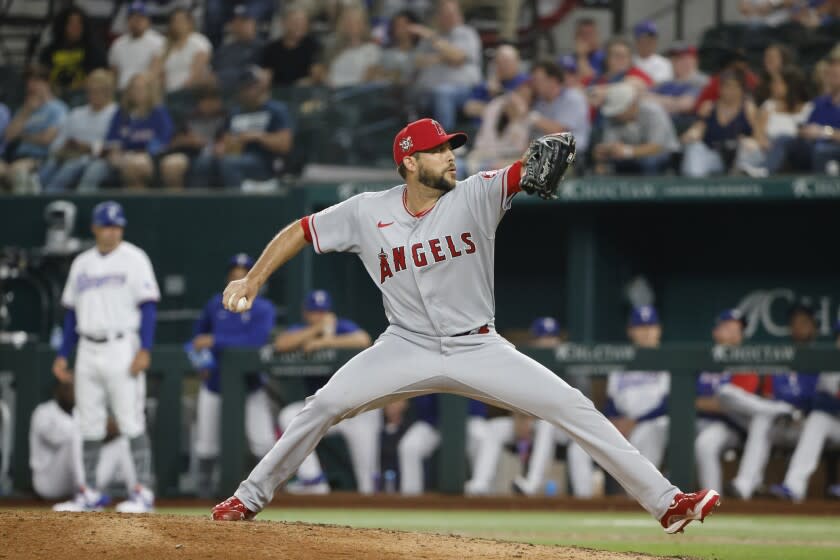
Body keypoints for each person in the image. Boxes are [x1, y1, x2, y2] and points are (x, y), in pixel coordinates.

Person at [211, 117, 720, 534]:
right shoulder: (368, 211)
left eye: (451, 148)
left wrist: (533, 162)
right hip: (404, 345)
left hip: (478, 347)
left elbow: (519, 174)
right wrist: (254, 279)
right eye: (437, 150)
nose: (450, 156)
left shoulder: (475, 194)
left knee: (572, 405)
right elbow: (302, 230)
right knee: (321, 405)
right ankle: (246, 499)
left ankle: (668, 503)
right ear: (409, 161)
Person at [52, 201, 160, 513]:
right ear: (95, 228)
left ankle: (142, 491)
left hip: (121, 345)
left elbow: (148, 307)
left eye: (117, 226)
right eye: (107, 226)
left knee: (130, 419)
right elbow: (71, 313)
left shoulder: (134, 258)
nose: (113, 231)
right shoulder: (82, 263)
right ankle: (89, 492)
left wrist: (145, 349)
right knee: (88, 423)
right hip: (87, 347)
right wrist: (63, 354)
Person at [466, 317, 594, 497]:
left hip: (562, 428)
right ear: (534, 341)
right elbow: (512, 394)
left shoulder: (569, 366)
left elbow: (578, 406)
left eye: (552, 338)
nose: (547, 342)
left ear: (559, 340)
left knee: (547, 425)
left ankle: (532, 485)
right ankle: (481, 484)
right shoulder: (525, 363)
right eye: (542, 338)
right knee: (493, 429)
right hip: (529, 421)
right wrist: (518, 417)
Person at [189, 253, 276, 498]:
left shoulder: (262, 308)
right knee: (206, 446)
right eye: (234, 272)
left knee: (263, 442)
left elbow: (255, 341)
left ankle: (272, 491)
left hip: (251, 384)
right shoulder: (215, 304)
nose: (239, 275)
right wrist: (201, 359)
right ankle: (203, 496)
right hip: (215, 383)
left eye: (245, 272)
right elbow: (196, 339)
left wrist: (216, 341)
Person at [275, 290, 374, 494]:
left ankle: (370, 494)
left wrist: (326, 341)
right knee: (288, 415)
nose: (318, 316)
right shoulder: (302, 330)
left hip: (352, 410)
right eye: (314, 312)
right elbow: (280, 344)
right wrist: (315, 331)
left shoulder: (342, 327)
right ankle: (313, 480)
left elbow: (364, 339)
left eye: (322, 312)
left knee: (367, 469)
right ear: (306, 313)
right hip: (320, 409)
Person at [727, 301, 820, 500]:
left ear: (814, 327)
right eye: (795, 322)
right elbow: (769, 394)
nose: (799, 327)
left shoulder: (822, 358)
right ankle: (745, 485)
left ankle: (794, 488)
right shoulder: (780, 358)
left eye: (804, 322)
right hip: (781, 421)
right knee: (762, 418)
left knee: (817, 421)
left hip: (807, 424)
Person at [770, 320, 840, 502]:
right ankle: (794, 487)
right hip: (835, 423)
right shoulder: (831, 367)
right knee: (818, 419)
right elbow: (819, 400)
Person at [192, 66, 293, 188]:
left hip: (264, 161)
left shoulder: (276, 110)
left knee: (228, 164)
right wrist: (221, 147)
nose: (247, 91)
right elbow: (225, 139)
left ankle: (236, 205)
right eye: (244, 88)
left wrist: (258, 137)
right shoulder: (235, 113)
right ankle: (201, 205)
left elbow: (285, 145)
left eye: (251, 87)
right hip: (235, 155)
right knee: (202, 163)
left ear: (260, 87)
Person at [30, 382, 133, 502]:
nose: (71, 392)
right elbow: (56, 439)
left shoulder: (81, 413)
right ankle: (84, 490)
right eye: (67, 388)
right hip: (49, 482)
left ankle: (138, 493)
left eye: (74, 387)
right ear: (57, 392)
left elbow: (112, 428)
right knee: (74, 436)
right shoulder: (43, 412)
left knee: (121, 443)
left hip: (80, 477)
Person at [694, 309, 760, 493]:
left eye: (738, 330)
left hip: (729, 426)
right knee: (662, 429)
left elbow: (732, 405)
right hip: (696, 421)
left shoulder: (745, 363)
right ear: (716, 332)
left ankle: (713, 502)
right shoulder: (703, 359)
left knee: (704, 445)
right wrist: (700, 403)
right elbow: (680, 396)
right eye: (728, 328)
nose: (733, 334)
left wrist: (697, 402)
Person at [605, 306, 670, 471]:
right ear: (630, 331)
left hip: (655, 421)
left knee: (646, 433)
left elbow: (667, 404)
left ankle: (644, 495)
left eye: (650, 327)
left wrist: (635, 422)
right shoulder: (622, 361)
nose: (646, 332)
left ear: (659, 330)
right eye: (640, 327)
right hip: (623, 422)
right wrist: (616, 421)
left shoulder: (667, 358)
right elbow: (611, 401)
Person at [38, 69, 118, 193]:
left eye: (98, 91)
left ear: (108, 92)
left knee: (79, 168)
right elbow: (57, 144)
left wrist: (88, 147)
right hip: (71, 156)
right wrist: (64, 148)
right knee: (50, 165)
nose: (93, 95)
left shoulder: (117, 114)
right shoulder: (76, 113)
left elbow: (115, 145)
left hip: (101, 160)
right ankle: (36, 197)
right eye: (90, 91)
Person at [411, 0, 483, 131]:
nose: (449, 17)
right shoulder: (431, 36)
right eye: (445, 14)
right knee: (405, 92)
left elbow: (458, 57)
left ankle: (446, 142)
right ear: (438, 16)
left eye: (452, 14)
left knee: (442, 93)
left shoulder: (466, 33)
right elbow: (417, 61)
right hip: (425, 91)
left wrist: (434, 40)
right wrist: (443, 56)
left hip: (462, 90)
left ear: (458, 15)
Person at [94, 71, 174, 189]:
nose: (137, 92)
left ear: (150, 90)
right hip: (125, 156)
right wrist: (115, 154)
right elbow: (112, 141)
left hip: (153, 156)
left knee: (137, 165)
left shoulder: (159, 113)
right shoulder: (121, 114)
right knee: (100, 167)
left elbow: (164, 139)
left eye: (141, 88)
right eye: (134, 88)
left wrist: (145, 154)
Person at [734, 65, 812, 177]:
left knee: (783, 139)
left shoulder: (808, 108)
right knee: (747, 144)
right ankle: (741, 179)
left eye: (777, 83)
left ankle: (764, 170)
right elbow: (757, 134)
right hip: (768, 150)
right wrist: (764, 143)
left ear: (790, 85)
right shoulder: (768, 106)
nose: (772, 86)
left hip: (796, 155)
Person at [0, 66, 68, 193]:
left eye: (36, 82)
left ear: (46, 83)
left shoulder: (58, 108)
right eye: (29, 83)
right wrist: (26, 112)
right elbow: (9, 136)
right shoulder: (25, 109)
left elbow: (47, 139)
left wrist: (23, 135)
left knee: (18, 172)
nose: (32, 87)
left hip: (42, 158)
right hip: (16, 157)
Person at [680, 69, 756, 177]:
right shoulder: (709, 107)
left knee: (748, 148)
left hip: (740, 157)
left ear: (742, 89)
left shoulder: (748, 108)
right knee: (695, 148)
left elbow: (758, 137)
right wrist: (691, 135)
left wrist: (750, 141)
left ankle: (741, 184)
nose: (731, 91)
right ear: (720, 88)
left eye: (735, 87)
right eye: (727, 87)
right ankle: (694, 190)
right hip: (714, 156)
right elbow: (697, 130)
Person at [593, 83, 678, 175]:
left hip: (665, 155)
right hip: (630, 157)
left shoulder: (653, 112)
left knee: (649, 161)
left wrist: (626, 151)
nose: (616, 115)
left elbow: (657, 147)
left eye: (619, 110)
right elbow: (611, 144)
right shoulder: (612, 118)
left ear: (631, 105)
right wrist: (605, 151)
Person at [159, 87, 227, 189]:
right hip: (191, 154)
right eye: (205, 101)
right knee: (173, 165)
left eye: (212, 101)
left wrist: (218, 146)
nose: (208, 105)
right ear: (199, 103)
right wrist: (189, 141)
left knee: (205, 163)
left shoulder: (225, 118)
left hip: (215, 155)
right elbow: (173, 142)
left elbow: (227, 140)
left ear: (219, 102)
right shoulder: (190, 118)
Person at [38, 5, 107, 95]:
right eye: (71, 23)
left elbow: (100, 78)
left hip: (84, 96)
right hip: (54, 94)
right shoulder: (50, 50)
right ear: (63, 26)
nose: (76, 27)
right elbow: (43, 75)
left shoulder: (94, 50)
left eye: (79, 24)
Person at [528, 60, 591, 153]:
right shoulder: (539, 103)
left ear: (553, 80)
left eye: (538, 80)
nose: (534, 84)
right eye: (533, 80)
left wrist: (530, 116)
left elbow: (558, 132)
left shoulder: (573, 98)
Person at [462, 44, 530, 122]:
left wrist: (498, 93)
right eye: (499, 62)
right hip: (479, 129)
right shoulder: (487, 83)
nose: (503, 66)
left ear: (517, 62)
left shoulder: (525, 82)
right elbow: (468, 108)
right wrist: (494, 111)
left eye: (507, 62)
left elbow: (515, 111)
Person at [260, 6, 324, 87]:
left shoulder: (313, 45)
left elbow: (318, 74)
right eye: (295, 22)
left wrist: (310, 80)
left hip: (304, 92)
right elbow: (266, 74)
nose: (299, 25)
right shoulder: (272, 48)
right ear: (283, 23)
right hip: (278, 91)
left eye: (303, 22)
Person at [648, 43, 708, 128]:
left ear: (695, 60)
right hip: (661, 125)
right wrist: (672, 103)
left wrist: (656, 100)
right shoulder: (667, 83)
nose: (678, 63)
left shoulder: (701, 81)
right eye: (675, 59)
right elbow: (641, 98)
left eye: (684, 59)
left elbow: (685, 105)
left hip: (686, 128)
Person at [107, 2, 165, 91]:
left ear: (147, 21)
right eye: (132, 18)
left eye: (140, 18)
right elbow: (114, 74)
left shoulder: (158, 41)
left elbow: (155, 72)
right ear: (127, 21)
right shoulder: (118, 44)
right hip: (121, 91)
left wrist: (137, 86)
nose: (136, 21)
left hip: (146, 90)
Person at [209, 4, 265, 94]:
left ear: (254, 23)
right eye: (236, 22)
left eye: (244, 21)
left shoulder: (262, 47)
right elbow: (212, 71)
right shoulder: (224, 49)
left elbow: (254, 73)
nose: (240, 26)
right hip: (219, 95)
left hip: (245, 94)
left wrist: (221, 78)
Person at [323, 5, 382, 88]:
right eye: (348, 22)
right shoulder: (334, 49)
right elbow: (326, 77)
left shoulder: (372, 49)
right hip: (332, 94)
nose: (351, 26)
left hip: (356, 96)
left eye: (356, 22)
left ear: (363, 25)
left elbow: (367, 79)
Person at [156, 8, 212, 93]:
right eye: (174, 21)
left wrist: (181, 91)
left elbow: (197, 74)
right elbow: (160, 72)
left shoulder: (199, 42)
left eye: (180, 21)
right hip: (167, 92)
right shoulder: (165, 46)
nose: (177, 24)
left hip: (191, 91)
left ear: (190, 23)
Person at [572, 17, 605, 83]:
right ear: (576, 36)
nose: (587, 38)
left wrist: (582, 56)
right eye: (583, 34)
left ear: (597, 35)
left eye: (590, 34)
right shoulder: (567, 59)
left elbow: (589, 80)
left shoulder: (606, 58)